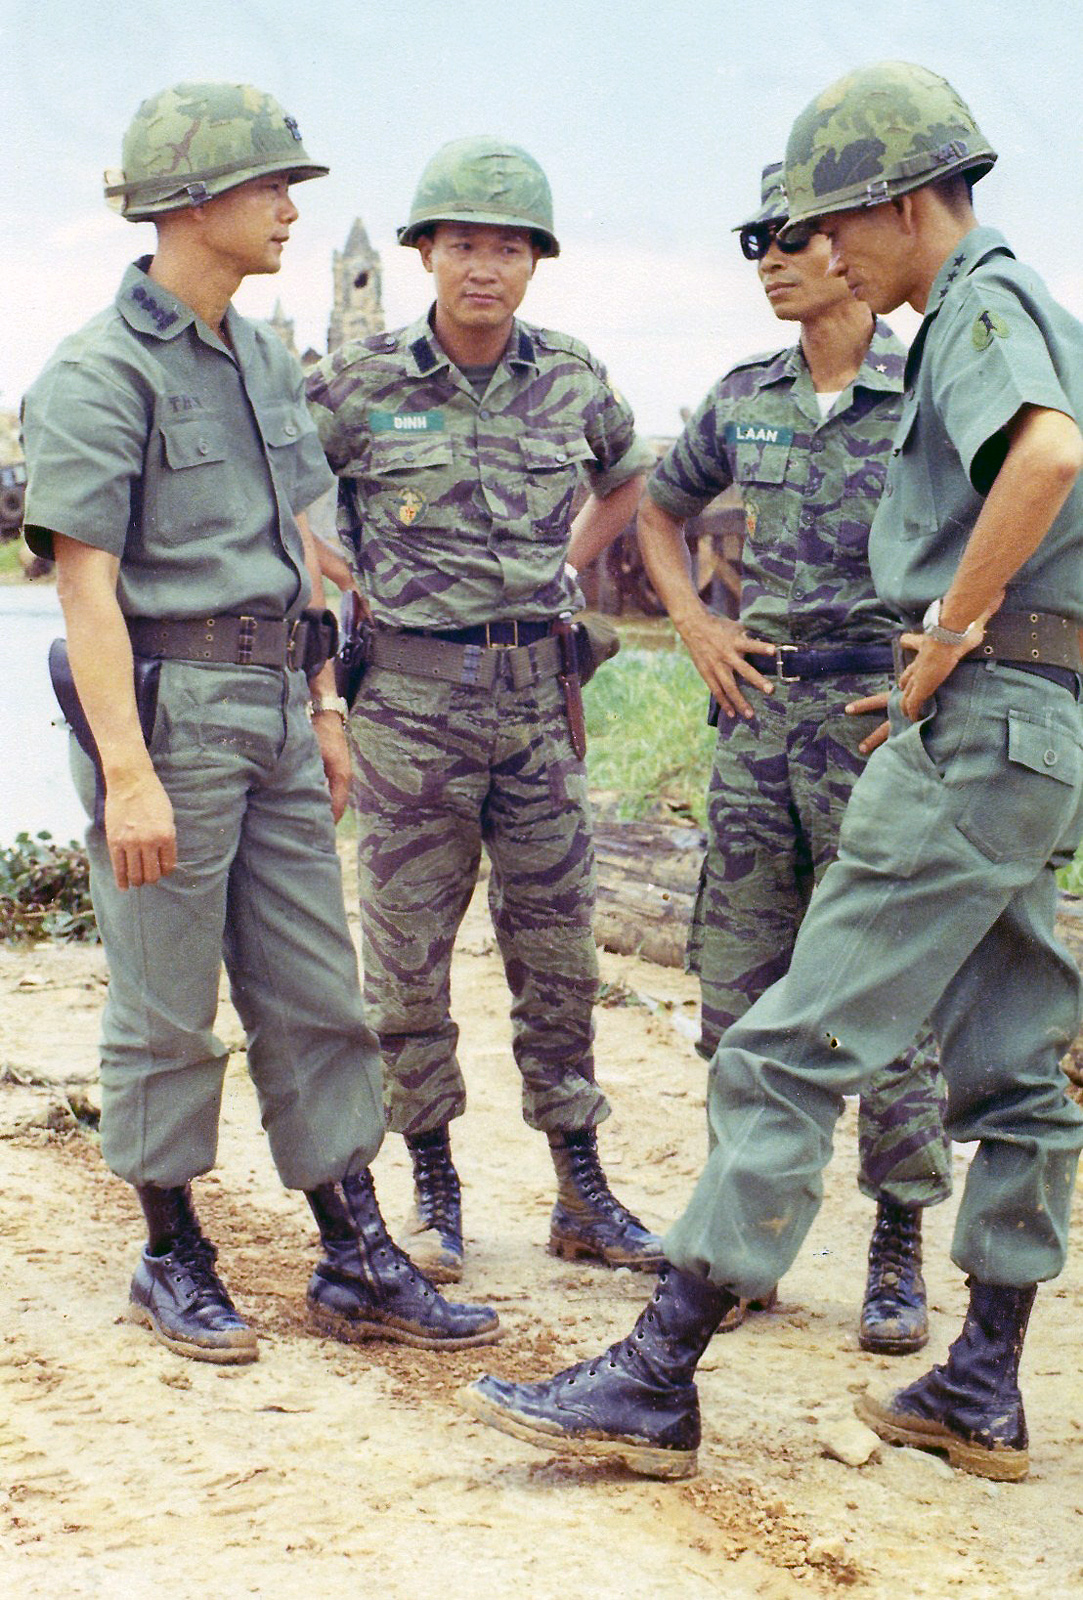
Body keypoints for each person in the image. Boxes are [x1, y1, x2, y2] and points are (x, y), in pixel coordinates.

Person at [464, 62, 1083, 1484]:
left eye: (834, 224)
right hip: (1033, 724)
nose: (821, 255)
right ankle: (980, 1377)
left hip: (980, 716)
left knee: (790, 1038)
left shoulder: (977, 294)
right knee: (1009, 1053)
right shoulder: (1010, 305)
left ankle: (658, 1368)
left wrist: (943, 630)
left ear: (904, 198)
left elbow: (1044, 457)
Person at [21, 82, 500, 1366]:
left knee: (315, 990)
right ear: (191, 203)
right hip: (165, 716)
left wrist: (326, 702)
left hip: (280, 709)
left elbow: (304, 538)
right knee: (168, 1002)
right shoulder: (96, 371)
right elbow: (85, 586)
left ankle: (353, 1250)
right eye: (270, 185)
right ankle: (170, 1248)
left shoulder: (263, 353)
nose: (292, 208)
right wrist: (126, 773)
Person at [306, 137, 661, 1285]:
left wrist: (571, 560)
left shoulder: (570, 375)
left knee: (557, 950)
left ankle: (581, 1185)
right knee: (405, 957)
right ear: (422, 254)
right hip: (408, 705)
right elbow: (280, 484)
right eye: (462, 244)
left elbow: (629, 477)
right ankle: (434, 1183)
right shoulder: (361, 385)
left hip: (536, 703)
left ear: (533, 264)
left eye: (508, 248)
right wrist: (326, 564)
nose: (484, 268)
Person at [636, 161, 949, 1350]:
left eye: (793, 233)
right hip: (760, 726)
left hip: (882, 726)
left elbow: (1018, 512)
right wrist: (695, 622)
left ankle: (897, 1248)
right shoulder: (743, 397)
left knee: (892, 991)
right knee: (738, 986)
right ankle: (741, 1245)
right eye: (755, 238)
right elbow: (659, 512)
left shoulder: (926, 387)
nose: (768, 255)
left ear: (850, 244)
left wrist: (946, 654)